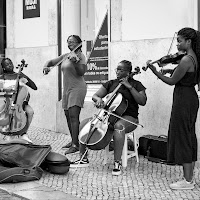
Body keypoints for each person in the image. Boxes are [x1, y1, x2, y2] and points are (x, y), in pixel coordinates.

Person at [70, 60, 147, 176]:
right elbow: (95, 96)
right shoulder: (111, 83)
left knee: (119, 126)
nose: (117, 72)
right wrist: (99, 100)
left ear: (128, 72)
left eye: (121, 70)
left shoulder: (137, 84)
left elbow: (142, 101)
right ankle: (83, 158)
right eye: (117, 69)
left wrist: (130, 87)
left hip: (130, 118)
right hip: (109, 116)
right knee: (84, 124)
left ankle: (117, 163)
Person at [147, 27, 200, 190]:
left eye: (179, 40)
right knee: (188, 135)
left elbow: (171, 82)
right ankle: (190, 177)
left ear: (188, 42)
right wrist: (171, 69)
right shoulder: (193, 57)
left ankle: (187, 181)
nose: (177, 44)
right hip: (189, 97)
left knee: (183, 137)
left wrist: (154, 71)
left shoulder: (185, 60)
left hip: (184, 99)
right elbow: (185, 75)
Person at [43, 35, 87, 154]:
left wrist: (76, 61)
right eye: (68, 42)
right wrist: (46, 66)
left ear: (78, 43)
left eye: (72, 42)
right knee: (68, 115)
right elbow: (51, 62)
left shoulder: (80, 56)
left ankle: (75, 145)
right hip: (67, 89)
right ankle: (73, 140)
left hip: (77, 88)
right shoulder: (65, 56)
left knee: (74, 116)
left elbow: (81, 72)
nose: (69, 43)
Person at [0, 58, 37, 143]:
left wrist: (24, 76)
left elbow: (34, 87)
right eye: (7, 64)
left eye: (11, 63)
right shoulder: (2, 78)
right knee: (5, 115)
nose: (10, 65)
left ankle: (23, 133)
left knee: (30, 112)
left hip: (20, 103)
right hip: (6, 102)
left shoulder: (19, 76)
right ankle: (7, 134)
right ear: (4, 67)